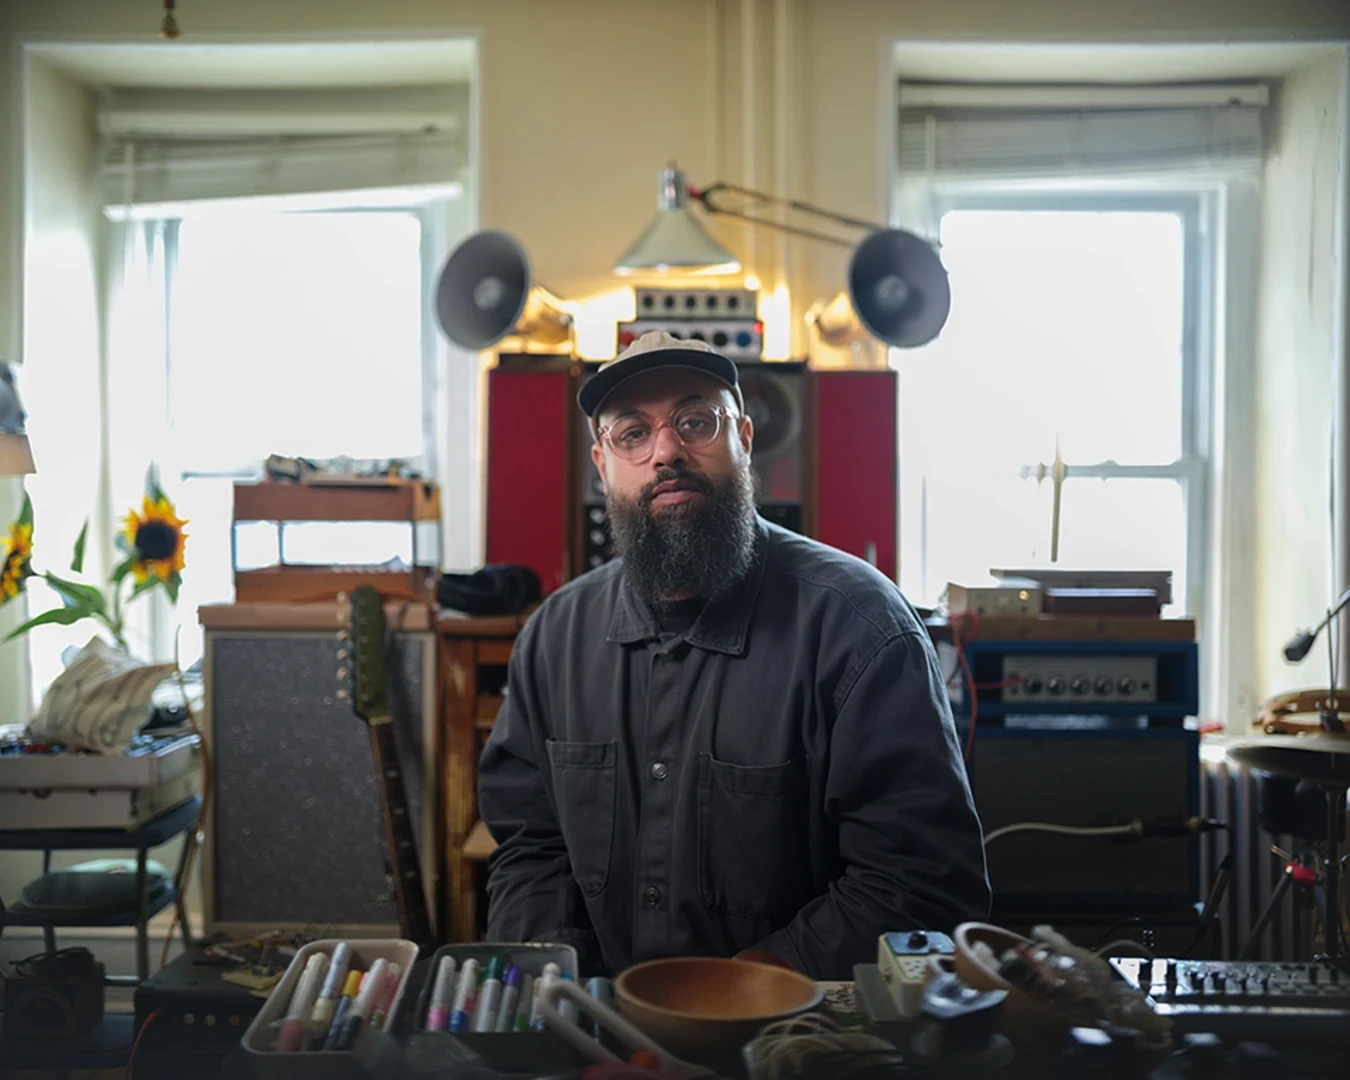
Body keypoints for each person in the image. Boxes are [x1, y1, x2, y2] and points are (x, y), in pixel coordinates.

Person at [477, 331, 990, 979]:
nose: (666, 451)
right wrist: (563, 984)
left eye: (696, 421)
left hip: (793, 1032)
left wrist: (743, 988)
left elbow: (922, 882)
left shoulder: (860, 627)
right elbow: (531, 848)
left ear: (744, 439)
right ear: (602, 463)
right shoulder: (556, 636)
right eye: (632, 433)